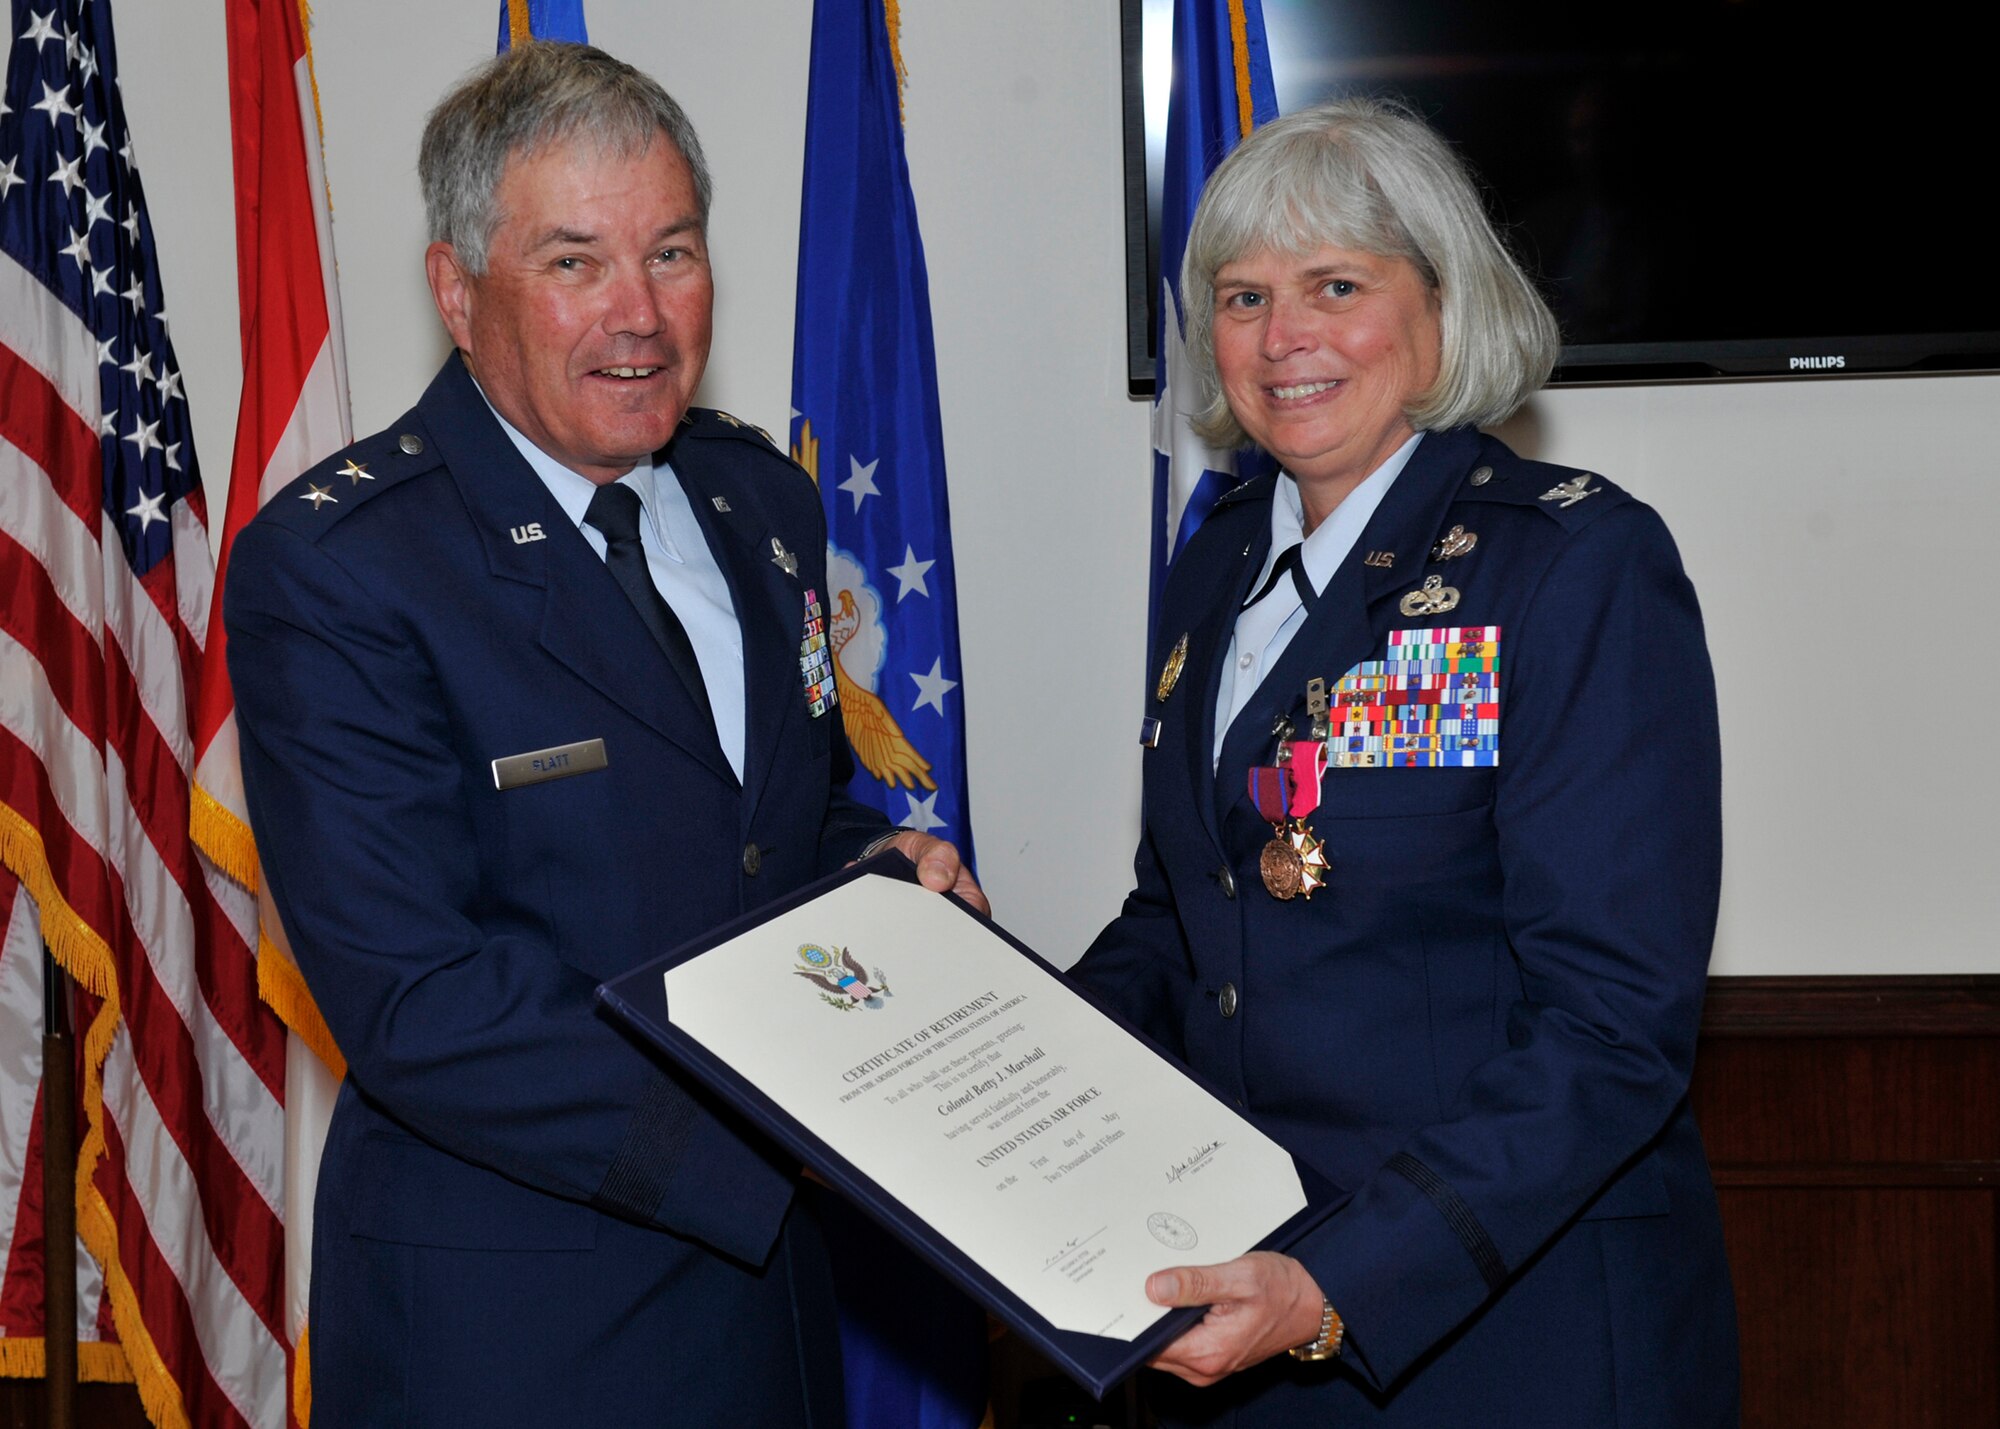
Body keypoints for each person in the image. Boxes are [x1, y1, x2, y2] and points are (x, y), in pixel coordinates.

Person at [225, 42, 979, 1427]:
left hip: (778, 1317)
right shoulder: (342, 568)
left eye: (673, 252)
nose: (640, 315)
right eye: (574, 261)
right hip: (515, 1330)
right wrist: (782, 1143)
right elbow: (421, 1001)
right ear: (458, 292)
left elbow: (775, 826)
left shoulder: (762, 505)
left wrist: (889, 874)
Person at [1071, 97, 1737, 1426]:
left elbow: (1610, 1030)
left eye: (1336, 286)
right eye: (1244, 296)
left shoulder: (1568, 564)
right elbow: (1183, 918)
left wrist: (1337, 1285)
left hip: (1505, 1336)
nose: (1284, 338)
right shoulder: (1214, 571)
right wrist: (995, 1051)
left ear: (1444, 309)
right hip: (1246, 1316)